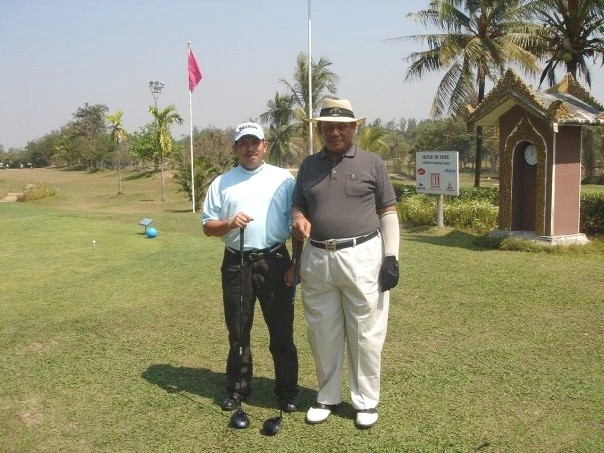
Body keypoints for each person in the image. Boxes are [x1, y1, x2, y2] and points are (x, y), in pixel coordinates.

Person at [291, 98, 400, 429]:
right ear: (320, 129)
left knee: (366, 331)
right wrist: (298, 218)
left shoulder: (372, 163)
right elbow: (298, 206)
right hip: (318, 257)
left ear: (354, 128)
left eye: (342, 126)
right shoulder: (309, 165)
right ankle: (326, 396)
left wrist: (391, 257)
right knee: (322, 330)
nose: (334, 132)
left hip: (362, 254)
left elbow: (388, 212)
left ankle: (366, 402)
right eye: (328, 126)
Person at [202, 121, 299, 415]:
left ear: (264, 145)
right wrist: (230, 223)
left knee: (281, 332)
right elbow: (208, 227)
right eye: (243, 143)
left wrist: (296, 263)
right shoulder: (222, 183)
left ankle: (287, 392)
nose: (249, 148)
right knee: (238, 331)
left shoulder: (284, 179)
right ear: (235, 148)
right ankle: (237, 389)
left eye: (254, 142)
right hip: (236, 262)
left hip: (275, 261)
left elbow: (297, 222)